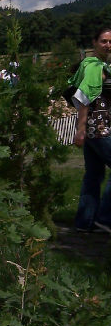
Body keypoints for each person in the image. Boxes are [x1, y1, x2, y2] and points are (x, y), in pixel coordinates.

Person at [70, 27, 111, 232]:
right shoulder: (96, 68)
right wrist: (81, 128)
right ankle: (105, 218)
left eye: (110, 41)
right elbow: (83, 98)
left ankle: (85, 222)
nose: (108, 45)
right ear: (94, 43)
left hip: (96, 130)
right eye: (103, 41)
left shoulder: (101, 66)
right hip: (98, 129)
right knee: (94, 175)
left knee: (93, 175)